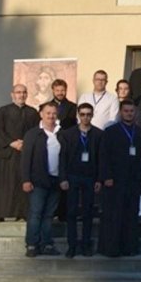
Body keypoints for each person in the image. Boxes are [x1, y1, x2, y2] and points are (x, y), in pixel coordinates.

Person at [98, 100, 141, 257]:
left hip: (133, 180)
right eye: (126, 111)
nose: (129, 114)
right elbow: (104, 156)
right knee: (114, 215)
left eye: (132, 111)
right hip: (115, 180)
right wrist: (107, 176)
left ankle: (129, 247)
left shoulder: (139, 132)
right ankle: (112, 248)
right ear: (120, 112)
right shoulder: (111, 131)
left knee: (131, 215)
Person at [58, 103, 102, 257]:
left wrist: (99, 179)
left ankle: (85, 245)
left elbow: (101, 159)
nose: (85, 117)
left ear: (92, 115)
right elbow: (62, 157)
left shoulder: (98, 134)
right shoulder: (68, 134)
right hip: (72, 176)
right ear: (78, 115)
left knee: (88, 212)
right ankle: (72, 245)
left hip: (90, 177)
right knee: (71, 212)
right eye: (82, 114)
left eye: (88, 114)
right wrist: (62, 178)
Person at [20, 102, 63, 257]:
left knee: (49, 215)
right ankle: (32, 244)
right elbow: (25, 159)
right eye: (48, 113)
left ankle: (47, 244)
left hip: (56, 180)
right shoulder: (32, 134)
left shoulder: (61, 133)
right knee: (35, 214)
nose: (51, 116)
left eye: (53, 113)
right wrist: (26, 179)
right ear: (41, 114)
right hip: (38, 181)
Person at [0, 84, 38, 222]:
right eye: (18, 92)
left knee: (21, 183)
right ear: (12, 94)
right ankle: (0, 213)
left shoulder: (32, 112)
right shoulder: (3, 111)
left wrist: (25, 143)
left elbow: (35, 132)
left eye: (24, 92)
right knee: (4, 185)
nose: (21, 95)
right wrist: (12, 143)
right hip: (7, 153)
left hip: (24, 153)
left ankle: (21, 212)